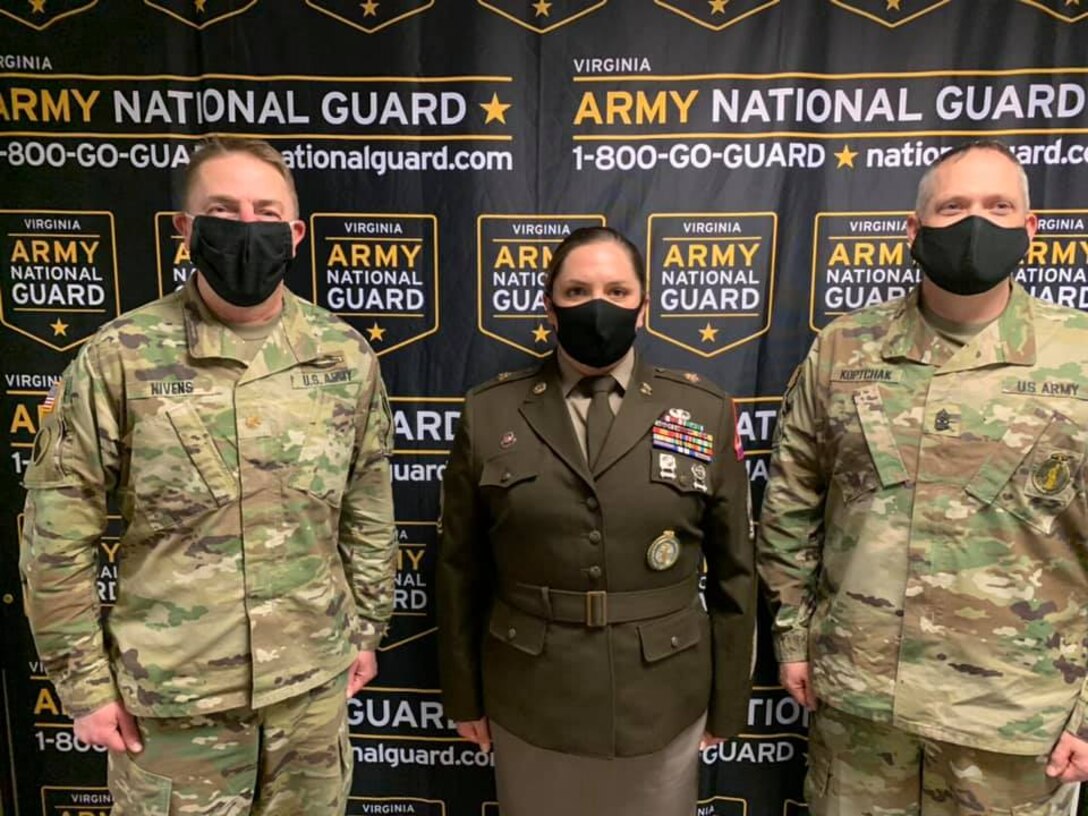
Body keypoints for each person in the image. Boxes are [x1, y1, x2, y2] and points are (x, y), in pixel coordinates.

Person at [19, 137, 397, 814]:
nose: (247, 228)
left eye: (266, 212)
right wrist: (84, 687)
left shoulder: (343, 356)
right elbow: (56, 536)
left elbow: (368, 505)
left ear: (296, 233)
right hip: (174, 709)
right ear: (186, 229)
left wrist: (366, 629)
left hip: (310, 697)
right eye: (223, 211)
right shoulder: (120, 358)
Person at [758, 139, 1088, 814]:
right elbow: (791, 504)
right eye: (953, 207)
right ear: (914, 229)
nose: (976, 223)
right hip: (860, 712)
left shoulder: (1079, 354)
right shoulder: (845, 348)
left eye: (999, 207)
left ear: (1031, 228)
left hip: (1014, 724)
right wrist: (793, 638)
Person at [436, 226, 756, 816]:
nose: (598, 305)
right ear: (549, 306)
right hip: (531, 690)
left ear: (643, 308)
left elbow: (736, 570)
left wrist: (730, 700)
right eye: (577, 291)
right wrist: (463, 696)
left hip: (662, 693)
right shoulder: (490, 411)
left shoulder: (702, 410)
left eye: (617, 291)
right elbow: (458, 569)